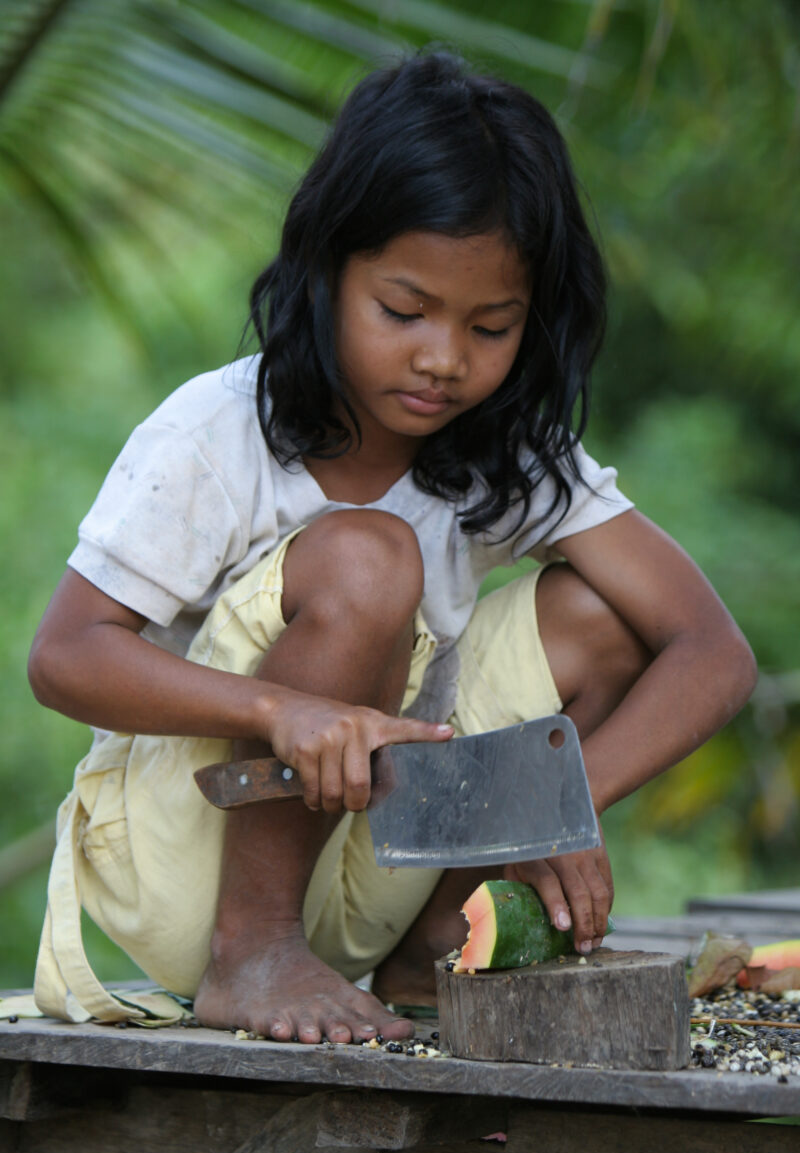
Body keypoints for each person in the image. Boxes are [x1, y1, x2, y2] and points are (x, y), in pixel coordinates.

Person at [28, 52, 756, 1044]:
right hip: (192, 857)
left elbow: (707, 652)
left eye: (489, 326)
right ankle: (254, 951)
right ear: (326, 271)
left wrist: (556, 805)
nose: (442, 358)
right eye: (403, 312)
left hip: (381, 850)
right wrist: (282, 710)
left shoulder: (504, 453)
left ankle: (429, 955)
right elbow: (65, 657)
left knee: (600, 617)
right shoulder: (216, 433)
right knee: (367, 559)